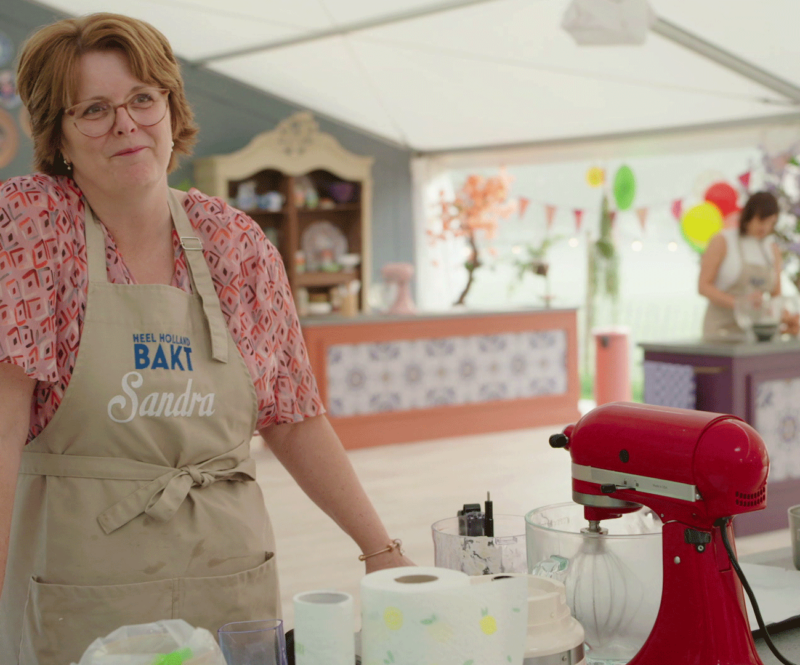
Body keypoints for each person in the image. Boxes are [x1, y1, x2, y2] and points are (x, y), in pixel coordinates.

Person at [0, 13, 411, 664]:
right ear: (58, 137)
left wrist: (384, 556)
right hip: (85, 594)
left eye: (142, 98)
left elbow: (294, 417)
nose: (127, 124)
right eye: (94, 110)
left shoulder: (236, 242)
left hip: (230, 580)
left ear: (171, 106)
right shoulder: (31, 226)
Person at [699, 191, 799, 340]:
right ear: (748, 215)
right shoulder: (723, 240)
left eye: (770, 223)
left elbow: (775, 297)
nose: (764, 228)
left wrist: (787, 317)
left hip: (757, 332)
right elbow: (703, 286)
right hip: (721, 331)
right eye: (761, 220)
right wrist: (740, 304)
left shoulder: (772, 249)